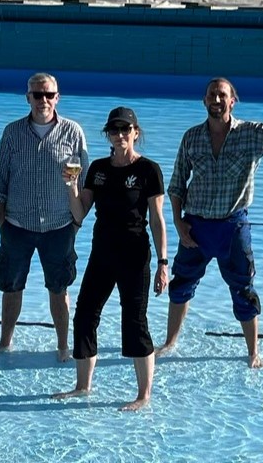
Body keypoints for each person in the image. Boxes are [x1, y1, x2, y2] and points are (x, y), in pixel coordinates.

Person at [157, 79, 263, 368]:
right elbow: (177, 184)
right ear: (204, 100)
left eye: (222, 95)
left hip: (232, 227)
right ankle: (171, 341)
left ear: (233, 101)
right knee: (181, 284)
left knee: (243, 289)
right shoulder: (191, 137)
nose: (216, 100)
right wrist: (178, 222)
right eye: (211, 95)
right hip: (196, 224)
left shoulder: (251, 134)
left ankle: (252, 351)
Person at [51, 107, 168, 411]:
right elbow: (79, 213)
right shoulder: (99, 169)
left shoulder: (149, 170)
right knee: (85, 315)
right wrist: (71, 187)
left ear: (135, 133)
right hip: (102, 252)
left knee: (134, 321)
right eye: (114, 131)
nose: (119, 135)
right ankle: (82, 386)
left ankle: (143, 395)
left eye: (125, 130)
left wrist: (163, 263)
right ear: (108, 135)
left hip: (135, 254)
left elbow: (157, 220)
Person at [0, 73, 88, 362]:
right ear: (27, 97)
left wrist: (76, 222)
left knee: (59, 288)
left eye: (49, 95)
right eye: (37, 95)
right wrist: (3, 225)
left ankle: (63, 347)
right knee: (11, 286)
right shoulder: (12, 132)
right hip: (17, 226)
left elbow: (86, 183)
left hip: (59, 227)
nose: (43, 100)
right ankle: (5, 342)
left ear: (57, 97)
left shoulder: (73, 132)